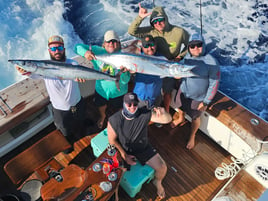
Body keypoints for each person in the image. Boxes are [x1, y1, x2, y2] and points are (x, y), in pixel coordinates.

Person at [16, 35, 86, 152]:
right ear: (49, 51)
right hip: (60, 110)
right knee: (64, 132)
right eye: (53, 49)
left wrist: (80, 76)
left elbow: (79, 74)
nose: (56, 51)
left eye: (59, 47)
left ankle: (81, 134)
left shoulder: (72, 63)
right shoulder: (42, 67)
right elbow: (32, 73)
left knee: (80, 122)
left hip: (78, 103)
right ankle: (68, 145)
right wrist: (24, 70)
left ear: (64, 49)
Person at [107, 92, 171, 199]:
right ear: (124, 104)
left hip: (143, 148)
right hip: (124, 150)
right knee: (114, 178)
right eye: (129, 104)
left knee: (162, 167)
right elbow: (112, 141)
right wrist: (124, 155)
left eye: (135, 104)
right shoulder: (114, 120)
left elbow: (168, 119)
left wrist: (164, 113)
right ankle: (115, 196)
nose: (132, 107)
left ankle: (157, 182)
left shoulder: (145, 114)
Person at [128, 4, 190, 114]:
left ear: (165, 18)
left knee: (167, 91)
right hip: (152, 63)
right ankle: (150, 107)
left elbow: (189, 45)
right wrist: (140, 18)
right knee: (151, 88)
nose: (158, 23)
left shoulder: (179, 32)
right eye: (154, 22)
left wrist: (180, 56)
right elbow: (132, 31)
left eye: (160, 20)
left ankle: (165, 111)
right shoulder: (150, 31)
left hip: (169, 66)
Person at [171, 33, 220, 150]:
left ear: (203, 45)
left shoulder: (212, 62)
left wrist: (206, 101)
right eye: (192, 46)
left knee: (195, 118)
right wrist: (176, 75)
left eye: (199, 45)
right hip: (183, 91)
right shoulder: (187, 57)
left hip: (198, 98)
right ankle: (181, 118)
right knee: (180, 108)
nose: (195, 48)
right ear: (188, 48)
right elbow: (180, 70)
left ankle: (192, 136)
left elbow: (214, 83)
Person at [74, 30, 131, 129]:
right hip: (101, 90)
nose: (111, 44)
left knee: (119, 108)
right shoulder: (97, 51)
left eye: (114, 41)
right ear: (104, 44)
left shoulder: (124, 57)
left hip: (119, 92)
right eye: (108, 41)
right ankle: (102, 116)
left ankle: (120, 119)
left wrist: (125, 72)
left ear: (118, 43)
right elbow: (77, 47)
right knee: (101, 105)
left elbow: (125, 81)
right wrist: (85, 52)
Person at [133, 35, 163, 109]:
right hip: (139, 98)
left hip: (156, 98)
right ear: (142, 47)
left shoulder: (162, 58)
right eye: (146, 46)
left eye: (152, 45)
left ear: (155, 45)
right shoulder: (137, 58)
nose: (149, 48)